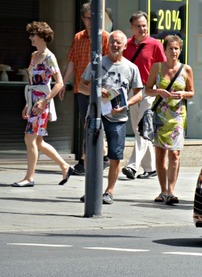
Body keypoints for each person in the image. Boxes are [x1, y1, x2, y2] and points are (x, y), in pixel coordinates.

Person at [78, 30, 143, 204]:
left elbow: (139, 94)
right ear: (108, 43)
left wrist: (127, 104)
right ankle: (91, 189)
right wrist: (96, 91)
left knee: (115, 154)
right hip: (96, 114)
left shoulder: (131, 68)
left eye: (118, 43)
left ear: (125, 45)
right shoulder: (96, 64)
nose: (115, 45)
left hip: (118, 116)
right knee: (91, 153)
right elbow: (81, 87)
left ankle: (109, 191)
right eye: (112, 41)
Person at [12, 21, 73, 188]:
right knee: (38, 142)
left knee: (29, 138)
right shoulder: (34, 55)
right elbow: (32, 82)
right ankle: (65, 166)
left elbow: (59, 83)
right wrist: (27, 103)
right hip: (33, 101)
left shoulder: (49, 57)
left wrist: (45, 100)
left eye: (33, 35)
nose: (30, 38)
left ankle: (30, 177)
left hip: (41, 103)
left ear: (41, 37)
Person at [59, 2, 109, 176]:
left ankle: (94, 158)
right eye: (88, 18)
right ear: (83, 19)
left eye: (94, 18)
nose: (92, 22)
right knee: (86, 123)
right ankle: (91, 158)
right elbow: (72, 62)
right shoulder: (78, 37)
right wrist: (63, 83)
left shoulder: (105, 37)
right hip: (81, 89)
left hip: (99, 90)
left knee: (97, 122)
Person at [145, 35, 194, 205]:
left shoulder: (186, 69)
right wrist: (159, 91)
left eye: (176, 48)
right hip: (160, 115)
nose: (173, 51)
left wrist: (183, 94)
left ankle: (171, 191)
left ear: (180, 50)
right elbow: (147, 90)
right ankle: (163, 190)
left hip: (178, 115)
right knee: (160, 153)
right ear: (164, 50)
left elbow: (192, 92)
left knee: (175, 153)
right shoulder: (157, 67)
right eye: (170, 48)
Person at [121, 11, 167, 180]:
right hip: (132, 92)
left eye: (144, 26)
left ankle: (132, 166)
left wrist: (161, 90)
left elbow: (163, 68)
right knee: (138, 129)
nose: (142, 29)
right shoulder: (126, 45)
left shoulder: (155, 44)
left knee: (142, 128)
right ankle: (150, 167)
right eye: (139, 26)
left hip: (149, 92)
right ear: (132, 27)